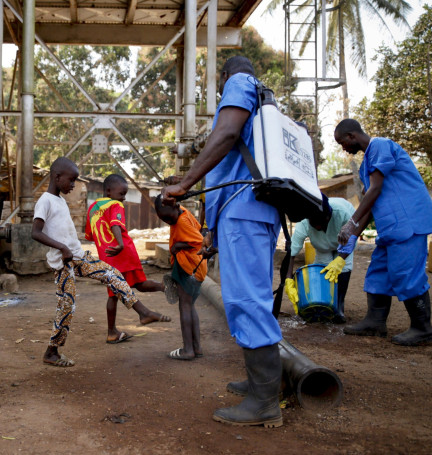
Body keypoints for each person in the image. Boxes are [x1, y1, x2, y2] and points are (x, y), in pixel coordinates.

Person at [162, 56, 283, 428]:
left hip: (244, 210)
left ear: (226, 76)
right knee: (253, 297)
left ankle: (264, 401)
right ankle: (260, 383)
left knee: (245, 300)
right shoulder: (266, 100)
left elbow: (227, 133)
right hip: (255, 212)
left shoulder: (240, 83)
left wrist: (184, 183)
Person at [32, 157, 171, 368]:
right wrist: (62, 248)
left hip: (78, 256)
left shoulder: (60, 200)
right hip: (63, 262)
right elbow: (35, 232)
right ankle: (51, 352)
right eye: (71, 180)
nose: (73, 185)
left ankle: (143, 312)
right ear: (57, 177)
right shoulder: (45, 201)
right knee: (67, 305)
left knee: (112, 274)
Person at [334, 119, 432, 346]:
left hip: (408, 223)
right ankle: (375, 322)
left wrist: (351, 222)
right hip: (390, 229)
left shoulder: (380, 146)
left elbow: (376, 189)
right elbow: (370, 204)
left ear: (352, 135)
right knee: (378, 274)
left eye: (342, 142)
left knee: (406, 274)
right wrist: (352, 236)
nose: (343, 148)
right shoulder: (366, 166)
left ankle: (423, 328)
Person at [85, 174, 165, 344]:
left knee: (116, 292)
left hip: (107, 257)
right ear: (109, 191)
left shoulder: (92, 208)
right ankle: (164, 289)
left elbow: (90, 236)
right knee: (136, 283)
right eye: (122, 193)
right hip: (123, 252)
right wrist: (120, 244)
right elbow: (115, 224)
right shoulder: (115, 204)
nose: (123, 198)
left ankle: (113, 331)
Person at [284, 194, 356, 323]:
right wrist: (288, 278)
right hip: (322, 247)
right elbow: (292, 252)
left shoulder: (343, 213)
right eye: (314, 224)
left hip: (344, 242)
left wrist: (340, 260)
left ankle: (339, 306)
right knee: (323, 269)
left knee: (342, 268)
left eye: (321, 223)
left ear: (329, 217)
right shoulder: (304, 223)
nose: (318, 227)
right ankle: (323, 302)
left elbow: (352, 238)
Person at [154, 195, 208, 360]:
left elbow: (200, 241)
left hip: (188, 266)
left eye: (169, 218)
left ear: (176, 207)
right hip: (193, 266)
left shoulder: (181, 220)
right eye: (164, 220)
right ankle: (196, 347)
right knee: (190, 305)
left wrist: (178, 245)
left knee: (184, 306)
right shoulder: (183, 212)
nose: (168, 222)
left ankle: (188, 350)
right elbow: (198, 228)